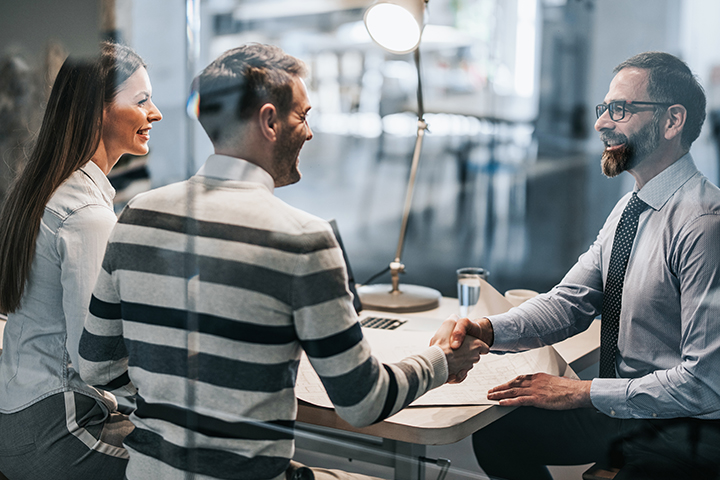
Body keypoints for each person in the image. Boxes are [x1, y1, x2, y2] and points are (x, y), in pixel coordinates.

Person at [77, 43, 486, 480]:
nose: (308, 133)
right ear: (269, 121)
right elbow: (363, 402)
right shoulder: (303, 239)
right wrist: (443, 361)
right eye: (303, 116)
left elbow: (96, 365)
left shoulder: (138, 212)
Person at [448, 51, 720, 479]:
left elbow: (705, 384)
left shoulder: (704, 224)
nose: (601, 124)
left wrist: (580, 392)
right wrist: (487, 330)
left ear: (672, 121)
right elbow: (568, 303)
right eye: (604, 108)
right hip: (625, 414)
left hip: (682, 428)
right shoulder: (631, 208)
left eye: (620, 109)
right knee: (499, 432)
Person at [0, 42, 162, 478]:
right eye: (142, 100)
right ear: (98, 111)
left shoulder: (46, 191)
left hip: (18, 420)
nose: (156, 113)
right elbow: (96, 361)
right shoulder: (86, 216)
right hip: (58, 431)